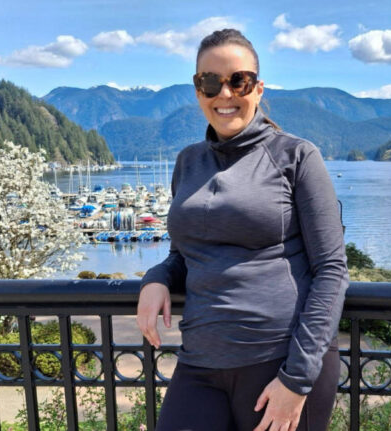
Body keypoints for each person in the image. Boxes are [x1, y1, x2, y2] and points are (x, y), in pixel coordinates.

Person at [136, 29, 348, 431]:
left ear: (258, 88)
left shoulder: (296, 156)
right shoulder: (187, 163)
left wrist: (297, 379)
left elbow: (332, 270)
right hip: (200, 361)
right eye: (210, 82)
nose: (225, 94)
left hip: (279, 360)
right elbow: (184, 254)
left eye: (239, 80)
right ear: (197, 90)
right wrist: (157, 278)